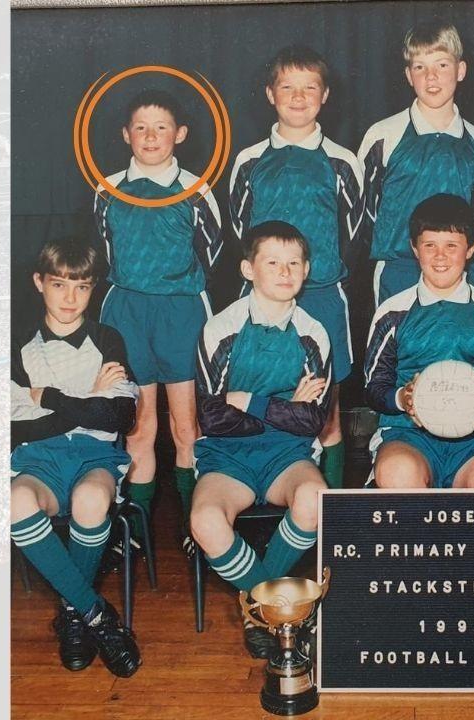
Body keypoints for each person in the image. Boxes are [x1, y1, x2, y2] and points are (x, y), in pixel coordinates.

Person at [190, 221, 331, 660]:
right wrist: (283, 408)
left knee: (314, 499)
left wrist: (248, 401)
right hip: (226, 456)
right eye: (272, 262)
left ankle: (258, 611)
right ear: (248, 269)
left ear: (307, 269)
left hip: (287, 455)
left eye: (294, 263)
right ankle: (276, 611)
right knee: (206, 521)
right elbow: (211, 417)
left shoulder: (314, 333)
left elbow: (312, 421)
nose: (285, 272)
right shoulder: (220, 328)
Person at [229, 45, 363, 492]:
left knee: (328, 414)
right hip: (262, 302)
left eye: (310, 88)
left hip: (322, 294)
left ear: (325, 95)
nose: (299, 97)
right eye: (288, 87)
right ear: (270, 94)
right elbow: (240, 227)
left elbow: (353, 231)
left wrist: (317, 273)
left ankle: (331, 517)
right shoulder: (248, 161)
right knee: (261, 400)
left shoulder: (343, 161)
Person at [94, 88, 223, 548]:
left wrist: (174, 285)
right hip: (128, 312)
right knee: (139, 428)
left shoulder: (197, 189)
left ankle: (195, 526)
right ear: (126, 134)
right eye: (141, 128)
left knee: (186, 427)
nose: (151, 137)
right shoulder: (107, 189)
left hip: (181, 311)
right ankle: (138, 530)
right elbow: (107, 248)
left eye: (161, 127)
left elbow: (211, 252)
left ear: (180, 134)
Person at [10, 237, 141, 677]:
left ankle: (71, 613)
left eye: (82, 287)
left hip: (94, 455)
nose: (70, 298)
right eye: (59, 285)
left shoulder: (107, 339)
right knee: (14, 501)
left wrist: (48, 397)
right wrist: (88, 398)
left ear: (93, 289)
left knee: (91, 500)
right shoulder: (17, 344)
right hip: (38, 458)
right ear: (39, 282)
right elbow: (17, 427)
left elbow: (120, 416)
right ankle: (95, 615)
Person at [364, 194, 474, 490]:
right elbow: (374, 388)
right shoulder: (392, 312)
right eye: (429, 245)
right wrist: (402, 398)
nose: (440, 256)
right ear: (415, 248)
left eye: (451, 246)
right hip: (406, 434)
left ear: (470, 249)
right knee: (398, 474)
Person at [357, 20, 474, 304]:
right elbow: (367, 211)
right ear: (409, 75)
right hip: (399, 269)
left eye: (442, 65)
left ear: (461, 70)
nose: (431, 77)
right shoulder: (383, 136)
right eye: (420, 67)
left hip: (462, 272)